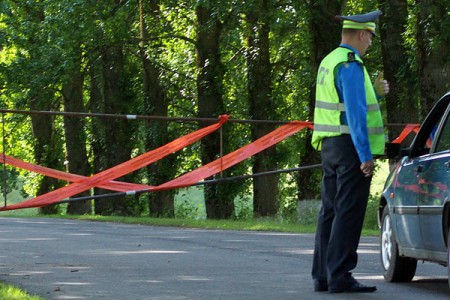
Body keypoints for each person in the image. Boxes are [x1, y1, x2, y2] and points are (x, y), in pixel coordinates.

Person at [310, 9, 389, 293]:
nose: (370, 43)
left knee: (330, 210)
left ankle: (323, 275)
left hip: (330, 146)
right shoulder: (351, 64)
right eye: (370, 38)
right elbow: (355, 114)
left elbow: (341, 104)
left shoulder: (330, 61)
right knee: (348, 211)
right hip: (349, 146)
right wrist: (365, 155)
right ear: (362, 34)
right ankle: (340, 275)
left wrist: (376, 92)